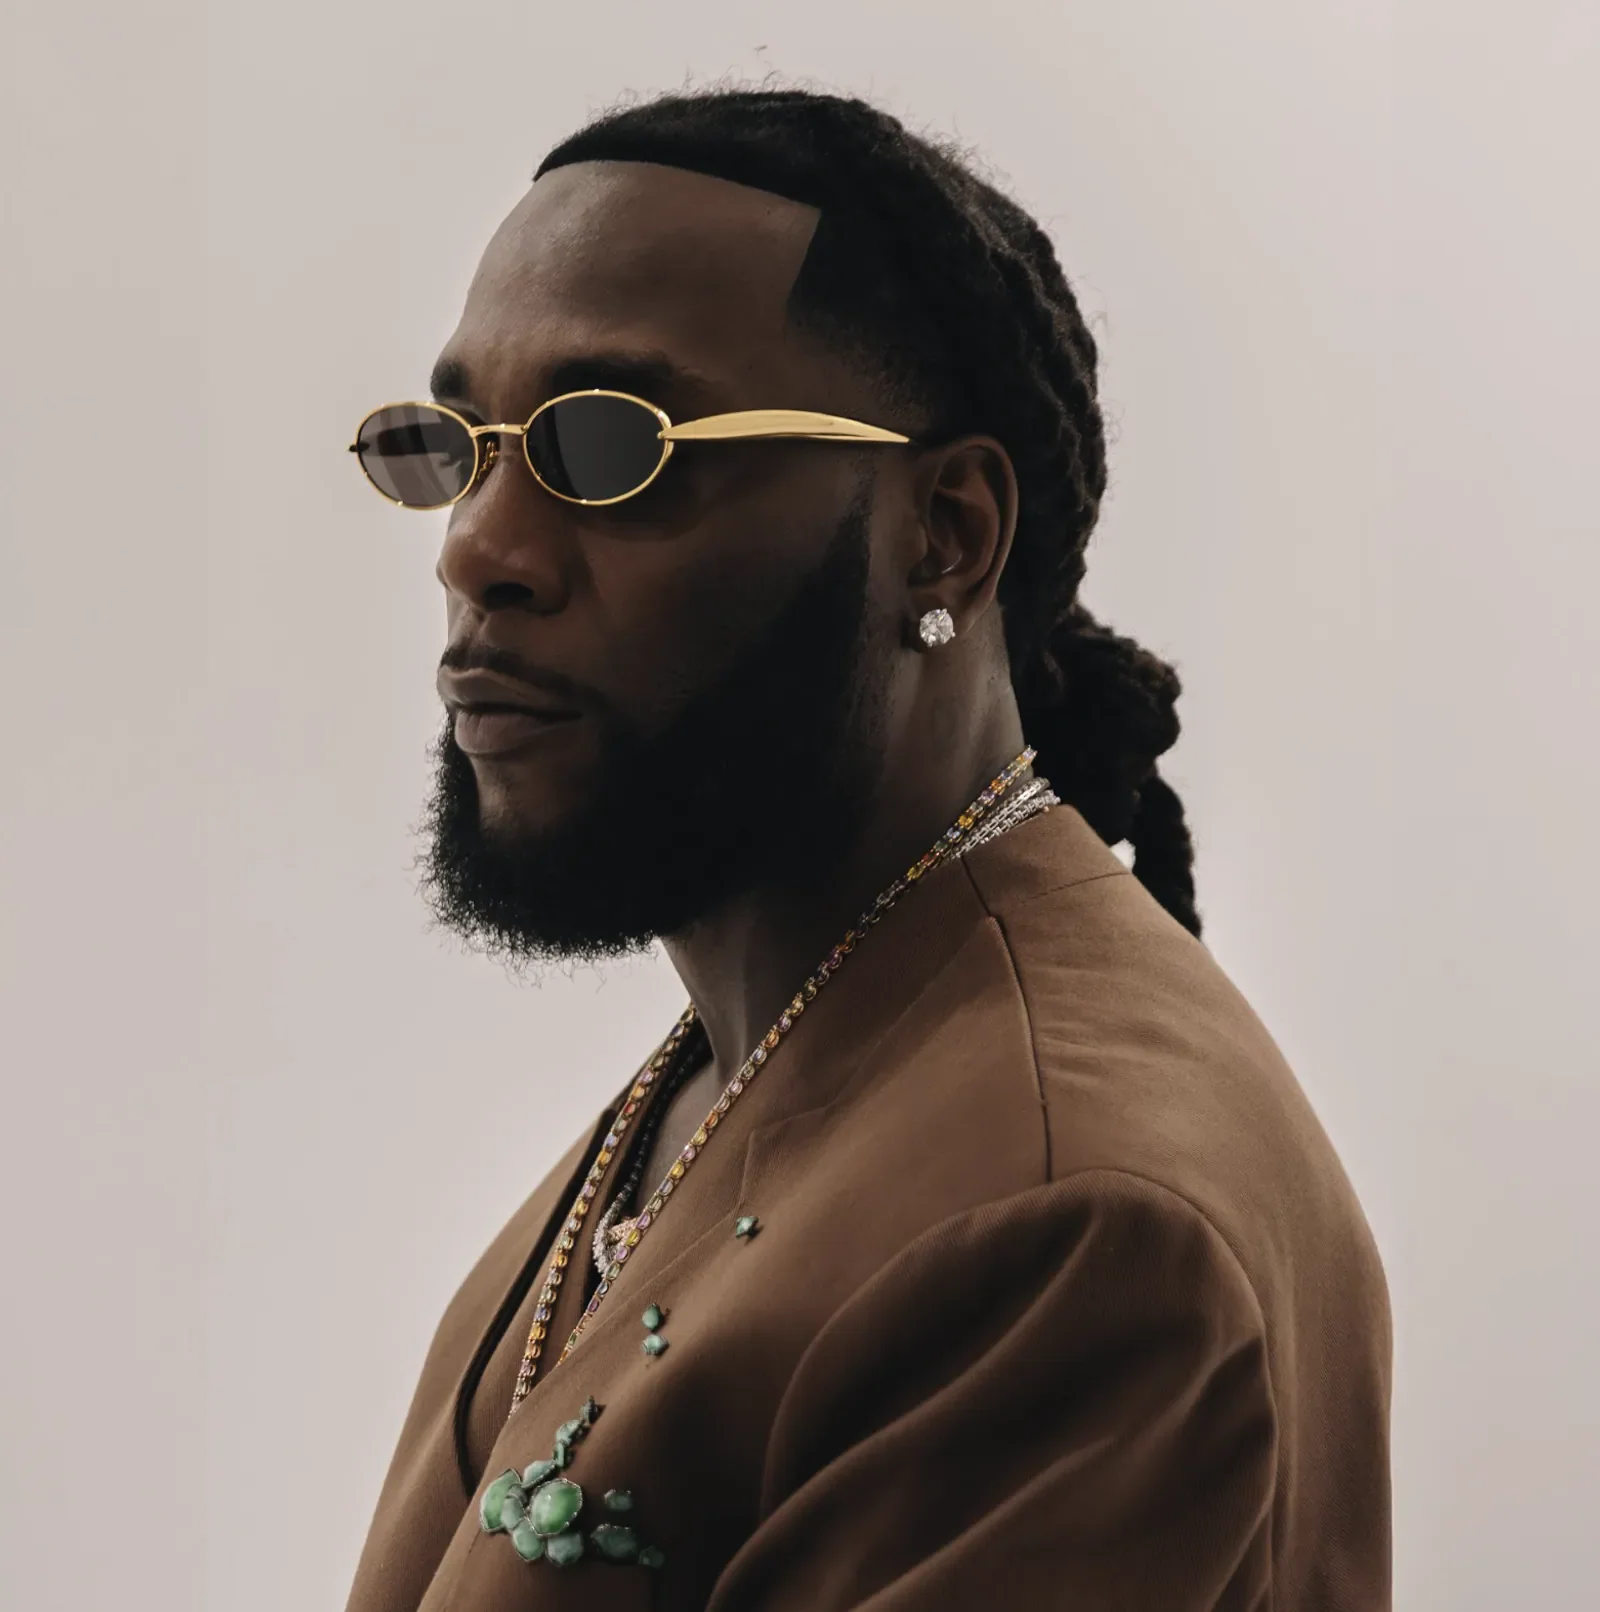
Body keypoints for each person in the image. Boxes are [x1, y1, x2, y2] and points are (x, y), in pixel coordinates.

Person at [342, 88, 1391, 1612]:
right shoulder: (776, 1039)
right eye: (461, 449)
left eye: (613, 446)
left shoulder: (1066, 1221)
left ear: (945, 533)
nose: (477, 550)